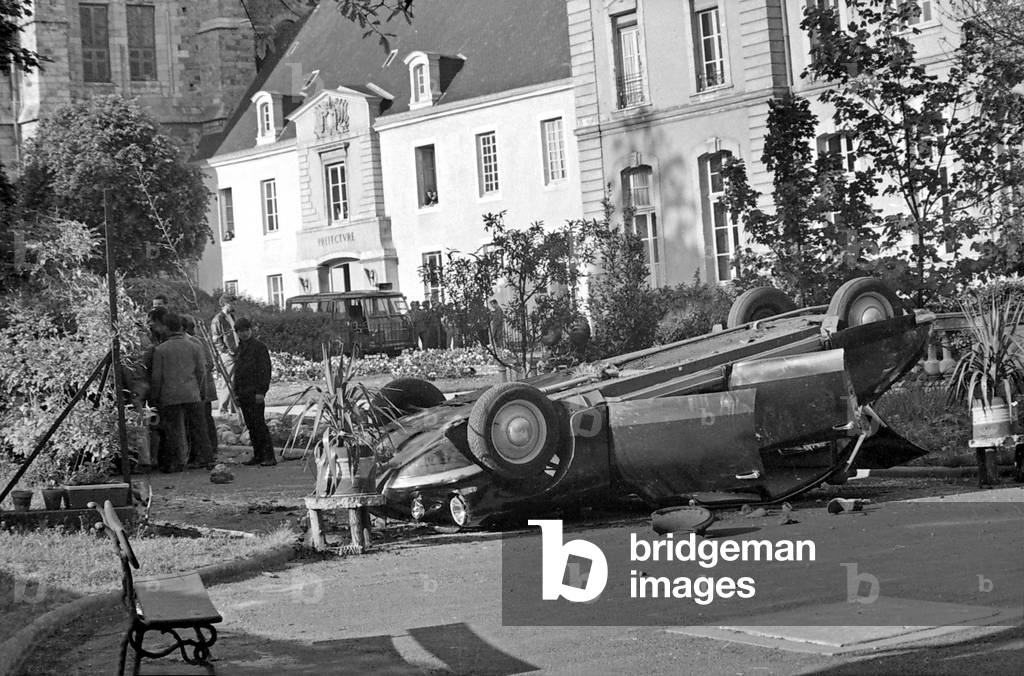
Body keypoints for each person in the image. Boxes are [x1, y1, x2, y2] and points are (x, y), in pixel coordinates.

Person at [149, 312, 211, 472]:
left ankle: (175, 462)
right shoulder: (194, 346)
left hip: (170, 395)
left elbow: (157, 376)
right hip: (192, 392)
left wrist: (154, 396)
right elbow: (201, 372)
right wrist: (202, 392)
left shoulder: (161, 350)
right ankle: (204, 458)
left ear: (167, 328)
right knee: (198, 428)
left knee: (173, 430)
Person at [233, 317, 276, 466]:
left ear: (250, 330)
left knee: (259, 424)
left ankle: (268, 456)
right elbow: (237, 373)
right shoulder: (240, 349)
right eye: (240, 331)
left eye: (246, 330)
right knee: (251, 425)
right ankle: (258, 454)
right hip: (243, 392)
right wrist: (235, 392)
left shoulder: (258, 347)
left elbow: (264, 371)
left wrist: (261, 391)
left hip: (255, 391)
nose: (244, 334)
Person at [182, 314, 219, 466]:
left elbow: (208, 363)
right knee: (205, 420)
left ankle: (205, 453)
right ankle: (210, 450)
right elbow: (210, 363)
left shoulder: (194, 342)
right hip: (204, 387)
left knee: (201, 422)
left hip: (201, 387)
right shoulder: (200, 341)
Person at [210, 293, 238, 414]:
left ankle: (233, 410)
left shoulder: (231, 316)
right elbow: (216, 339)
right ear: (226, 304)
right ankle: (223, 409)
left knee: (235, 382)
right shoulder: (218, 319)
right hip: (227, 355)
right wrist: (226, 351)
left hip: (235, 353)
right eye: (232, 302)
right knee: (227, 382)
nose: (235, 305)